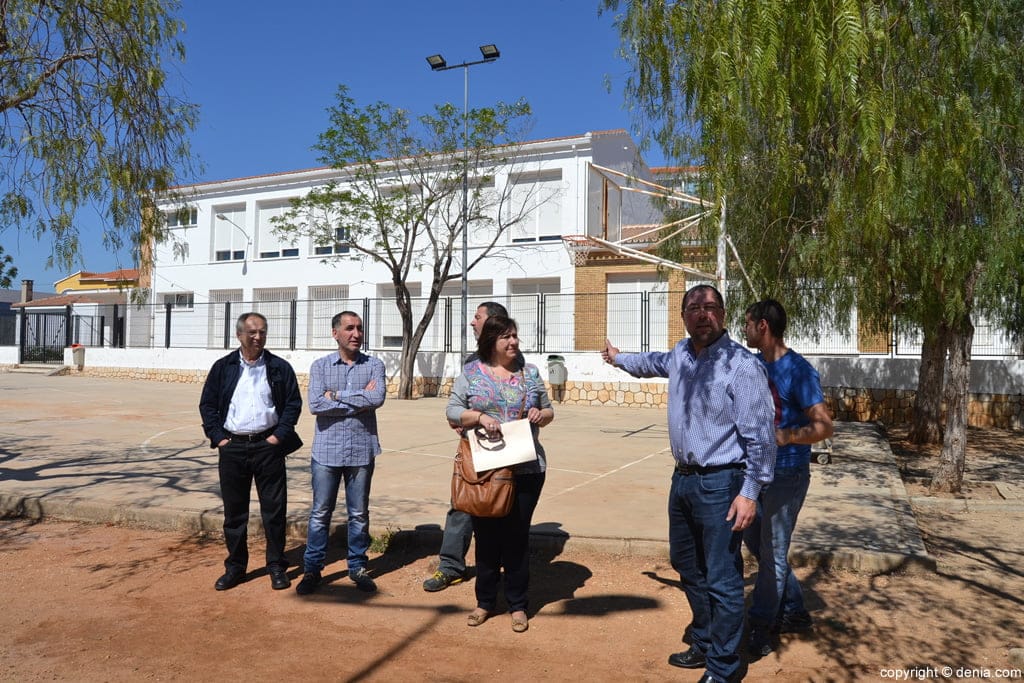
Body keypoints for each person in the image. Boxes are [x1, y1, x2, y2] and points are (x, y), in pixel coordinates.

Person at [602, 284, 776, 683]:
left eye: (711, 307)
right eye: (694, 308)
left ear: (724, 315)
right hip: (682, 481)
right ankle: (704, 641)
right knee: (687, 567)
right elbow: (650, 361)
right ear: (682, 316)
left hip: (723, 484)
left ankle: (723, 668)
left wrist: (750, 493)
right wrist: (616, 358)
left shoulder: (741, 366)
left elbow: (762, 440)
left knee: (722, 577)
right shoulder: (680, 355)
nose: (703, 314)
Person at [446, 315, 554, 633]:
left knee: (517, 537)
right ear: (491, 341)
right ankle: (485, 602)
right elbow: (452, 410)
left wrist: (540, 414)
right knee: (487, 537)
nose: (513, 342)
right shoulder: (472, 373)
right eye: (506, 337)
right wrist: (478, 416)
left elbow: (549, 410)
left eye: (515, 336)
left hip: (527, 468)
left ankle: (518, 605)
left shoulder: (529, 373)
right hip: (485, 469)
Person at [741, 299, 834, 657]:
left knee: (773, 552)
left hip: (788, 473)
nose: (744, 330)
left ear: (762, 326)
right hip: (756, 473)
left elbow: (824, 427)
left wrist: (789, 436)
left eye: (748, 324)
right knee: (759, 545)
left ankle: (762, 628)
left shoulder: (799, 371)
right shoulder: (753, 365)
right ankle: (794, 609)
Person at [199, 311, 303, 592]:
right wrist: (219, 438)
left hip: (268, 447)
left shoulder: (279, 367)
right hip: (232, 448)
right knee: (235, 514)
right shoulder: (224, 367)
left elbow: (293, 403)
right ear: (239, 335)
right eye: (253, 332)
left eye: (263, 332)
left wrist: (278, 436)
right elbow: (207, 405)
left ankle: (277, 566)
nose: (258, 337)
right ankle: (235, 568)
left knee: (274, 511)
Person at [423, 301, 515, 592]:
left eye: (477, 317)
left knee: (504, 508)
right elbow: (459, 405)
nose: (472, 322)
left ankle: (502, 569)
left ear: (492, 324)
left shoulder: (518, 364)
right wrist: (465, 419)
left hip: (508, 450)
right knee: (461, 505)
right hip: (473, 450)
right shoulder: (472, 364)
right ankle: (451, 566)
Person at [295, 311, 386, 595]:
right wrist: (358, 399)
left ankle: (357, 567)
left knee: (359, 514)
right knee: (321, 512)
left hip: (361, 449)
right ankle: (312, 569)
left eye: (359, 328)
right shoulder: (320, 366)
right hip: (327, 451)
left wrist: (336, 395)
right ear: (335, 333)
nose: (356, 333)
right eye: (349, 328)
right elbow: (315, 405)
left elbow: (377, 397)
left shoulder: (374, 365)